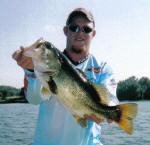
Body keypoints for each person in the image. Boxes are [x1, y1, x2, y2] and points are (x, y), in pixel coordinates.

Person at [12, 8, 119, 145]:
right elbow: (34, 98)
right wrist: (30, 70)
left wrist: (110, 111)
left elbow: (110, 98)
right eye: (74, 27)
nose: (80, 33)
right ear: (65, 30)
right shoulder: (42, 67)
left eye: (86, 29)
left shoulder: (102, 69)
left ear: (93, 33)